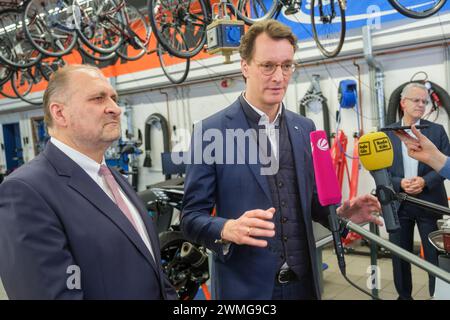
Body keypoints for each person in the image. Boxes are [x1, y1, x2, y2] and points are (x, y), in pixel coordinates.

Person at [180, 19, 382, 300]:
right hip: (246, 288)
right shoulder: (212, 132)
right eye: (268, 66)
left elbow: (310, 200)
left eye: (287, 66)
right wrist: (226, 228)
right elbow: (190, 218)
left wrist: (340, 215)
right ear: (245, 66)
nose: (279, 77)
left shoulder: (305, 129)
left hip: (303, 284)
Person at [0, 64, 177, 300]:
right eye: (98, 98)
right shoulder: (25, 191)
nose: (115, 109)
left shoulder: (112, 177)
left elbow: (152, 267)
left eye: (114, 98)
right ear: (60, 113)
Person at [384, 82, 450, 300]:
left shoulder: (436, 131)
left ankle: (436, 296)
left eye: (425, 101)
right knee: (400, 256)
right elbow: (380, 170)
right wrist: (399, 183)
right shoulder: (386, 133)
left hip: (429, 203)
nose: (421, 104)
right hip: (399, 203)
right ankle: (404, 297)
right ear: (403, 103)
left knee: (435, 257)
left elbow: (445, 165)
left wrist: (424, 181)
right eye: (416, 100)